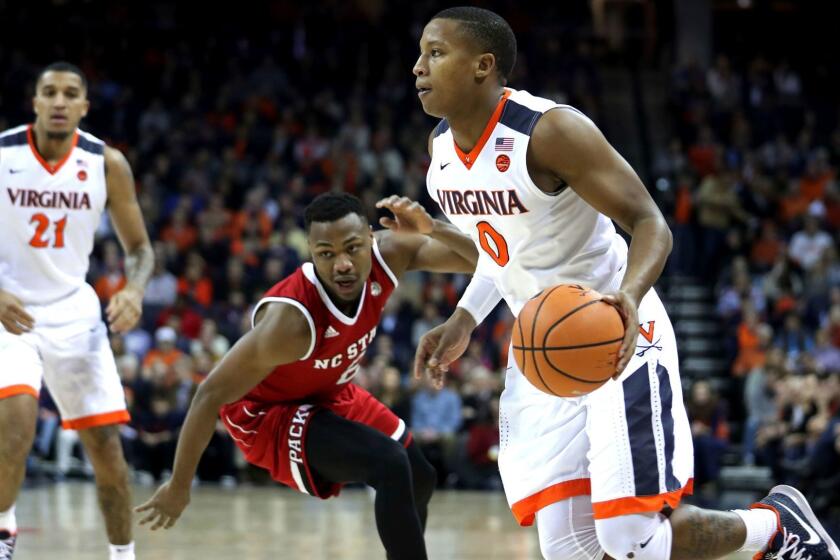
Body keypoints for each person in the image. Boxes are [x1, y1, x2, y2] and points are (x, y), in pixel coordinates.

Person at [411, 7, 840, 560]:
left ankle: (775, 528)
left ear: (483, 66)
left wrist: (630, 296)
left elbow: (649, 223)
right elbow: (501, 254)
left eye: (435, 52)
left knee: (629, 538)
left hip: (615, 333)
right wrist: (463, 319)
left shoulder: (550, 131)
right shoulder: (440, 153)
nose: (418, 66)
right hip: (544, 348)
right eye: (421, 53)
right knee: (566, 545)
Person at [136, 193, 478, 560]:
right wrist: (179, 486)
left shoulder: (390, 253)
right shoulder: (291, 323)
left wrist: (435, 229)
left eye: (352, 248)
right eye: (326, 254)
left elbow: (490, 261)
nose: (342, 264)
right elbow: (209, 395)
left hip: (330, 392)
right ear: (311, 254)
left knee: (419, 475)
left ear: (370, 237)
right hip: (267, 414)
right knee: (390, 464)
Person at [0, 62, 154, 560]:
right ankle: (3, 533)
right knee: (15, 424)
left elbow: (140, 249)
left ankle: (122, 555)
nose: (60, 101)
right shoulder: (3, 155)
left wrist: (133, 288)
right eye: (50, 92)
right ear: (36, 102)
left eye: (71, 93)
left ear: (85, 106)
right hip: (9, 310)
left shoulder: (106, 163)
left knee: (106, 448)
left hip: (74, 313)